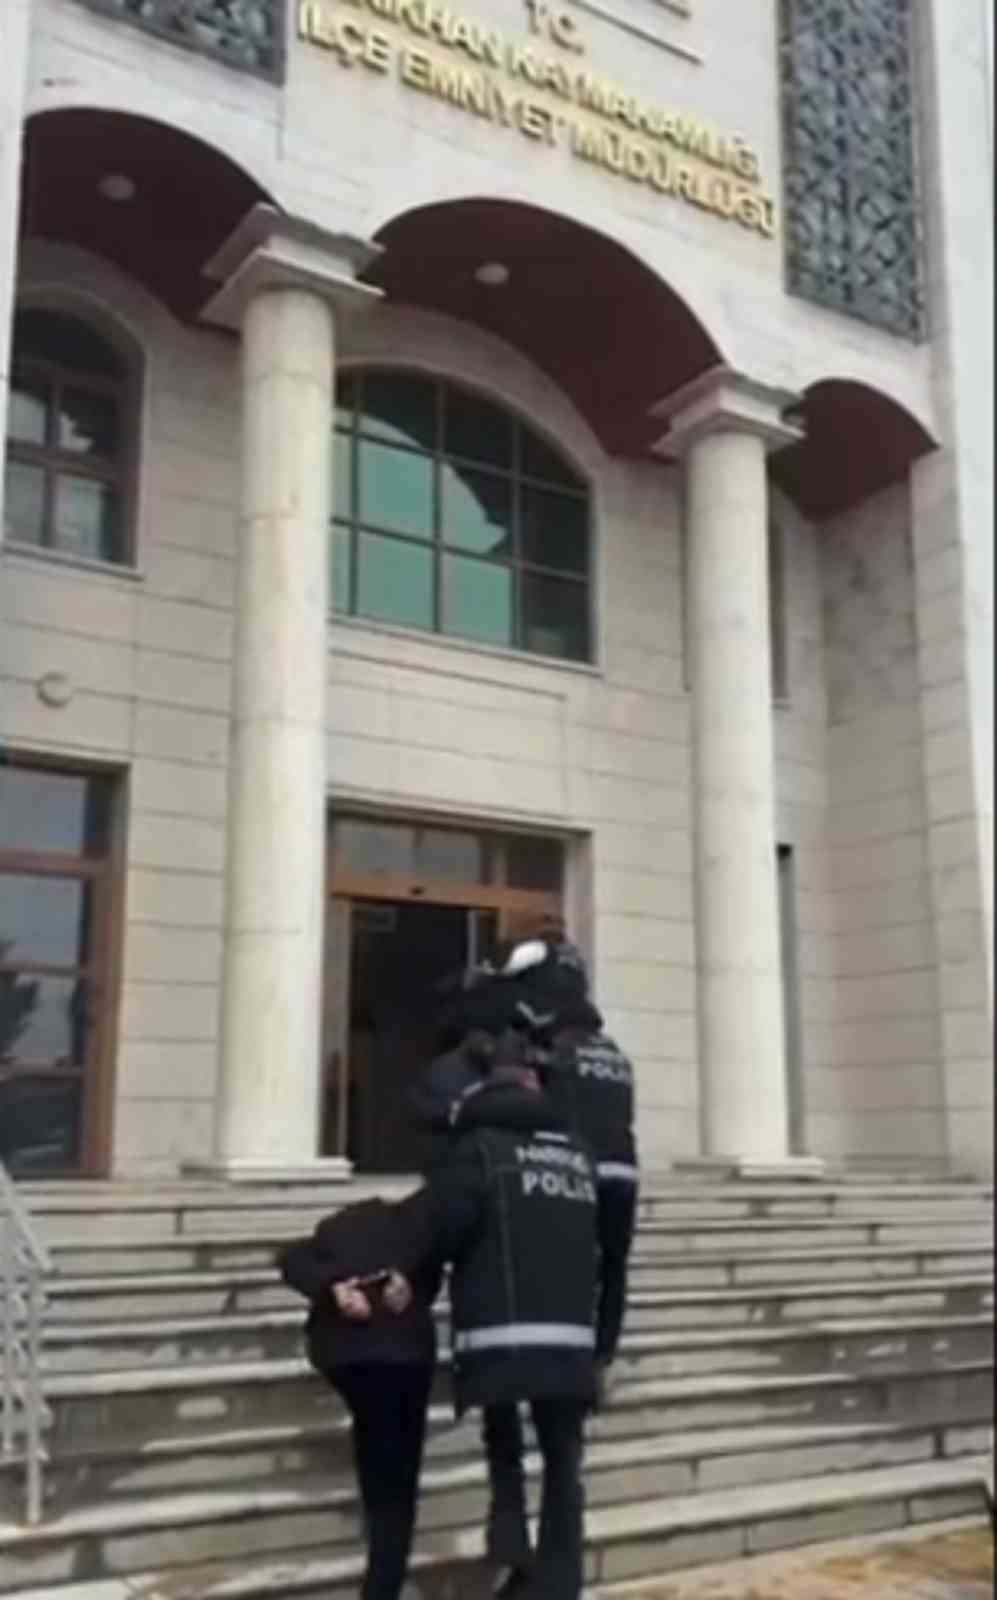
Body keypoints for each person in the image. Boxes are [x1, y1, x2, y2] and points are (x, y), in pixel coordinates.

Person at [428, 1027, 599, 1600]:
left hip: (499, 1334)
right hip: (570, 1337)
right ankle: (560, 1582)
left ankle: (510, 1556)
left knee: (504, 1449)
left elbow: (445, 1232)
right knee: (563, 1463)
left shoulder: (476, 1150)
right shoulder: (576, 1154)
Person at [277, 1191, 443, 1600]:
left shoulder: (335, 1237)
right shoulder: (411, 1234)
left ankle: (382, 1579)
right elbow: (432, 1271)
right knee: (397, 1480)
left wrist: (333, 1288)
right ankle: (384, 1582)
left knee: (379, 1462)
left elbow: (290, 1259)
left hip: (354, 1358)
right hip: (403, 1358)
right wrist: (407, 1284)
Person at [545, 999, 640, 1375]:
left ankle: (572, 1343)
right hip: (624, 1170)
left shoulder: (563, 1055)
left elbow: (552, 1111)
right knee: (614, 1263)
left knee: (571, 1258)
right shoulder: (620, 1060)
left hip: (582, 1167)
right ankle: (604, 1353)